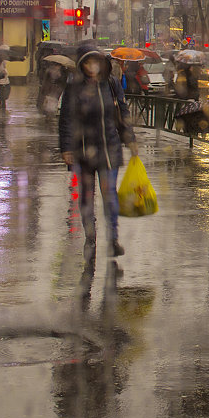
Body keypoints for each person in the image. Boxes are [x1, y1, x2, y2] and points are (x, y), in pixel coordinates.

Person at [59, 41, 138, 258]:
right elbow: (66, 118)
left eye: (96, 62)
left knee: (110, 195)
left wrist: (130, 138)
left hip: (109, 148)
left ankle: (113, 239)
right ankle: (90, 237)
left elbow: (123, 111)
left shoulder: (111, 84)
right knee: (86, 196)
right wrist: (66, 148)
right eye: (88, 62)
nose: (92, 66)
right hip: (83, 151)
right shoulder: (74, 86)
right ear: (82, 64)